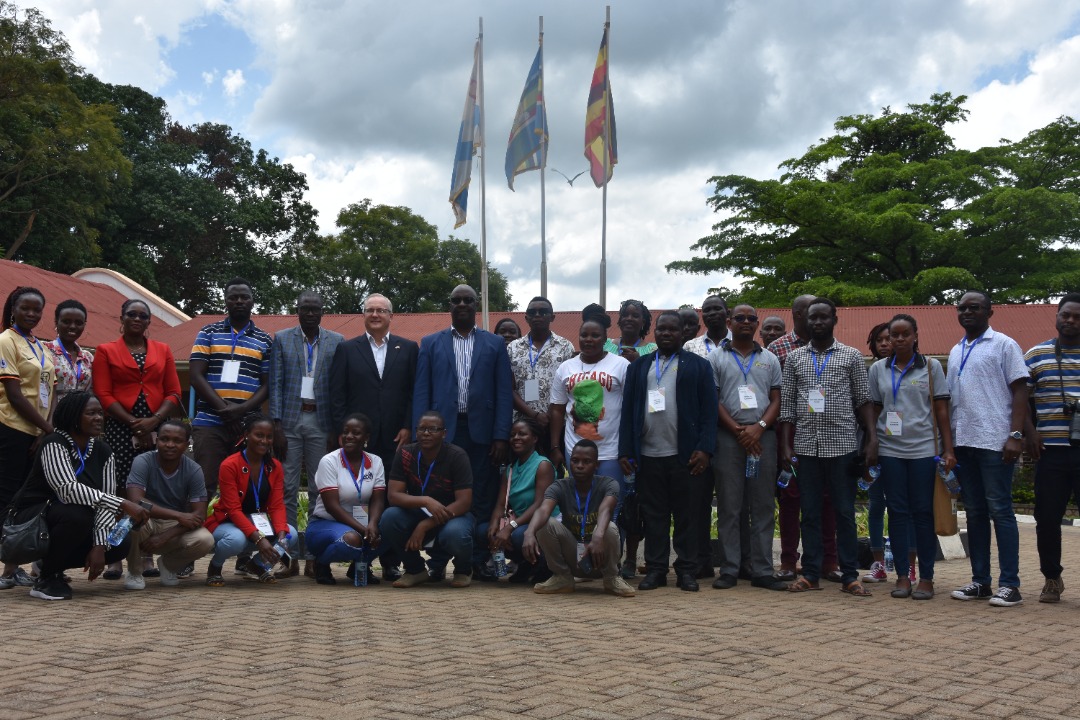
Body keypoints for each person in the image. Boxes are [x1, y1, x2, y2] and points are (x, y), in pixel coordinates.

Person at [6, 392, 149, 600]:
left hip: (69, 519)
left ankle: (50, 561)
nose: (99, 418)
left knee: (120, 544)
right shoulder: (54, 443)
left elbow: (105, 502)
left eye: (100, 413)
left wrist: (99, 547)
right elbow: (67, 489)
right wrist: (124, 502)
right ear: (73, 416)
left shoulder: (103, 451)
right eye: (91, 413)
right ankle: (47, 578)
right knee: (78, 513)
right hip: (31, 520)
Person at [779, 297, 877, 597]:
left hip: (843, 446)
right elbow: (787, 408)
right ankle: (810, 573)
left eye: (823, 317)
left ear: (835, 319)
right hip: (806, 447)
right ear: (805, 322)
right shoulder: (795, 359)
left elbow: (863, 400)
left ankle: (849, 576)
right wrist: (785, 445)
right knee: (808, 513)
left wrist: (872, 439)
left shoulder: (851, 356)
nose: (818, 322)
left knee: (844, 512)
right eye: (812, 318)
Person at [412, 284, 512, 580]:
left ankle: (478, 560)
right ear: (450, 306)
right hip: (443, 432)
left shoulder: (494, 344)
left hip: (482, 432)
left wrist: (500, 435)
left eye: (468, 300)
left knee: (481, 494)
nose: (462, 304)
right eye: (456, 301)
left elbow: (503, 392)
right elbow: (422, 389)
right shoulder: (430, 343)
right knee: (440, 494)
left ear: (477, 304)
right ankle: (439, 560)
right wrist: (422, 434)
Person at [619, 311, 717, 592]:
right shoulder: (638, 368)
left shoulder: (698, 366)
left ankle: (686, 570)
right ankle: (656, 569)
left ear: (681, 334)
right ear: (655, 332)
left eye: (672, 330)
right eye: (661, 329)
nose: (666, 334)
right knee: (654, 516)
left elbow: (710, 412)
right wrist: (626, 451)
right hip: (648, 455)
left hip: (686, 455)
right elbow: (628, 413)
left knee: (686, 516)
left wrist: (705, 449)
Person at [327, 292, 418, 581]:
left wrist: (408, 426)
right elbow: (337, 394)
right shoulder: (347, 349)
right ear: (363, 315)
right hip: (359, 439)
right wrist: (344, 432)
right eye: (370, 310)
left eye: (381, 310)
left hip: (396, 437)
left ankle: (390, 561)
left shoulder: (409, 348)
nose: (375, 314)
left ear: (391, 316)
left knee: (391, 500)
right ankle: (359, 558)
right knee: (360, 497)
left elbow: (413, 392)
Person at [947, 291, 1028, 607]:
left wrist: (1016, 435)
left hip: (995, 442)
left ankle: (1011, 584)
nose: (967, 312)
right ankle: (980, 581)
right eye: (962, 308)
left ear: (989, 312)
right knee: (976, 513)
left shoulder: (1004, 345)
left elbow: (1020, 389)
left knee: (1001, 512)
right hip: (964, 442)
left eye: (975, 308)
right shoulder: (955, 350)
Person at [92, 298, 183, 579]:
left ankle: (145, 556)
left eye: (143, 316)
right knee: (119, 490)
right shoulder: (106, 351)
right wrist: (134, 424)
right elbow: (104, 395)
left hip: (159, 427)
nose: (137, 319)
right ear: (122, 317)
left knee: (150, 490)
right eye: (132, 314)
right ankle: (116, 556)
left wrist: (153, 422)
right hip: (120, 428)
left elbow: (174, 392)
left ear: (148, 321)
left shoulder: (163, 350)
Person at [868, 314, 954, 600]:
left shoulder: (931, 368)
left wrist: (948, 449)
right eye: (895, 335)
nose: (900, 339)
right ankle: (902, 576)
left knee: (922, 512)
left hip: (923, 451)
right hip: (891, 451)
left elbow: (942, 410)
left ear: (916, 335)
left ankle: (926, 577)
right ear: (889, 339)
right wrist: (871, 443)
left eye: (906, 334)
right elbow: (874, 410)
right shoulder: (879, 369)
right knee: (897, 512)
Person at [709, 305, 788, 591]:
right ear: (729, 322)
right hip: (729, 437)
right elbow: (713, 400)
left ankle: (763, 570)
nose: (745, 322)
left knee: (763, 505)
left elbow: (777, 399)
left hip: (762, 438)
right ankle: (730, 569)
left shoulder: (770, 359)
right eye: (739, 318)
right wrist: (738, 430)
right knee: (730, 506)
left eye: (750, 319)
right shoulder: (715, 357)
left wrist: (760, 428)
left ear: (757, 324)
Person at [549, 314, 632, 574]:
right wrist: (554, 447)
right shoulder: (566, 368)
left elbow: (630, 409)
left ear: (605, 339)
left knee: (611, 510)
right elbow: (556, 409)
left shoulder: (620, 365)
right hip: (576, 452)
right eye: (584, 335)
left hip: (610, 451)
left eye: (595, 335)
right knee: (580, 510)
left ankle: (609, 565)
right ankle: (584, 563)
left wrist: (627, 449)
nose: (589, 339)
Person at [268, 290, 343, 577]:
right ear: (296, 310)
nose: (310, 313)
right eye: (305, 309)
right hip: (289, 420)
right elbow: (275, 384)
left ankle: (313, 555)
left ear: (323, 311)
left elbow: (337, 388)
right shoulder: (282, 338)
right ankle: (288, 558)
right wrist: (276, 425)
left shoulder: (336, 341)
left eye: (315, 309)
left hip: (320, 422)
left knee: (318, 490)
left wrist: (334, 428)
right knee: (285, 489)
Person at [768, 294, 840, 582]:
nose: (814, 318)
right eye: (807, 313)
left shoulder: (838, 350)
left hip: (829, 430)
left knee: (827, 498)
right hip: (791, 429)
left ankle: (828, 561)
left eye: (820, 314)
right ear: (797, 314)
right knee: (791, 497)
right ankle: (788, 561)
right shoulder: (778, 348)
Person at [189, 278, 273, 502]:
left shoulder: (264, 340)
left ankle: (241, 536)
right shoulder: (208, 332)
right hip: (210, 423)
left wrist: (242, 409)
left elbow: (267, 384)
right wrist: (225, 411)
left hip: (246, 427)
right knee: (204, 485)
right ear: (225, 301)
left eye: (244, 297)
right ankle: (201, 536)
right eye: (233, 297)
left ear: (252, 301)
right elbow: (196, 376)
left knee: (244, 488)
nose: (239, 301)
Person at [522, 440, 636, 597]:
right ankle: (562, 577)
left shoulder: (609, 484)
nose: (580, 465)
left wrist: (597, 536)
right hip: (573, 558)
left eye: (586, 461)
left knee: (609, 528)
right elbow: (543, 509)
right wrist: (529, 532)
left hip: (599, 558)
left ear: (596, 465)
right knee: (544, 523)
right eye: (575, 460)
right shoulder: (559, 486)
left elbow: (606, 509)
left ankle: (611, 578)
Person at [1024, 294, 1080, 603]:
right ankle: (1052, 578)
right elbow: (1021, 401)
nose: (1071, 321)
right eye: (1066, 315)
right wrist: (1029, 434)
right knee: (1046, 520)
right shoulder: (1036, 355)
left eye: (1077, 316)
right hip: (1051, 452)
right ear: (1056, 317)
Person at [379, 411, 474, 588]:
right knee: (390, 518)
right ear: (416, 432)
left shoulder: (457, 456)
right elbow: (393, 495)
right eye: (422, 429)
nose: (426, 433)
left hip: (454, 514)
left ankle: (463, 569)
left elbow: (464, 502)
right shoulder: (406, 453)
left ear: (444, 433)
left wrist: (425, 525)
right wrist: (425, 501)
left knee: (455, 534)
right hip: (418, 511)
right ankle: (415, 570)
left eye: (433, 429)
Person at [202, 413, 298, 586]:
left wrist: (282, 537)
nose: (264, 441)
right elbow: (233, 510)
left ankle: (257, 565)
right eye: (259, 435)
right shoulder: (230, 465)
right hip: (227, 522)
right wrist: (259, 540)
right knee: (236, 539)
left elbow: (277, 506)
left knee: (291, 533)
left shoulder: (274, 466)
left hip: (257, 522)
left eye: (269, 437)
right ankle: (215, 566)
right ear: (246, 435)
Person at [0, 287, 55, 590]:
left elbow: (53, 390)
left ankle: (13, 567)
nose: (31, 314)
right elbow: (14, 395)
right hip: (11, 428)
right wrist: (47, 431)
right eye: (26, 308)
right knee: (7, 498)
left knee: (27, 500)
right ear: (13, 309)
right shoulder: (6, 341)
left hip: (37, 432)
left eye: (37, 310)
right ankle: (5, 567)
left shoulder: (40, 345)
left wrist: (46, 429)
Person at [122, 420, 216, 589]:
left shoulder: (193, 470)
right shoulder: (142, 461)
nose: (170, 445)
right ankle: (134, 571)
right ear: (156, 440)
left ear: (187, 444)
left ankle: (168, 565)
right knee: (131, 520)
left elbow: (199, 515)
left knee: (205, 540)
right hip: (146, 520)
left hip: (172, 527)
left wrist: (164, 536)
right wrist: (179, 515)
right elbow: (136, 502)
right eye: (164, 439)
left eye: (177, 440)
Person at [681, 294, 731, 579]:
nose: (712, 314)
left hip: (730, 432)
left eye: (717, 309)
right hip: (697, 434)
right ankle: (699, 561)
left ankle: (733, 561)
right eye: (707, 310)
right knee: (697, 502)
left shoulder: (740, 342)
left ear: (727, 313)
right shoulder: (691, 346)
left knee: (731, 502)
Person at [306, 414, 386, 585]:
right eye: (345, 432)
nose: (349, 436)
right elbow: (332, 506)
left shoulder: (376, 462)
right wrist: (364, 530)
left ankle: (360, 565)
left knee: (390, 529)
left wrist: (372, 524)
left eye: (356, 433)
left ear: (366, 438)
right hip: (324, 524)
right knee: (351, 540)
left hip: (362, 522)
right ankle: (322, 563)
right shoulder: (329, 461)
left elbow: (378, 499)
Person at [861, 320, 913, 584]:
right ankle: (879, 563)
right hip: (877, 446)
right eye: (879, 340)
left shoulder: (916, 368)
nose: (884, 344)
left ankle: (910, 566)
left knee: (905, 507)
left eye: (887, 339)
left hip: (908, 447)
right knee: (875, 504)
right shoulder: (873, 371)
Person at [478, 418, 555, 583]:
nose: (516, 438)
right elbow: (500, 504)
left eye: (522, 434)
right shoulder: (511, 468)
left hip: (543, 522)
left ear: (534, 438)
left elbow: (539, 504)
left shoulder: (543, 465)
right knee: (483, 531)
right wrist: (494, 525)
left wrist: (509, 528)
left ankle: (544, 565)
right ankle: (526, 564)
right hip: (521, 521)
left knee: (518, 535)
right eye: (512, 435)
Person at [506, 296, 575, 449]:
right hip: (521, 426)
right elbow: (508, 389)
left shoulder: (565, 347)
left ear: (552, 317)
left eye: (543, 312)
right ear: (526, 318)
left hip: (556, 425)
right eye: (532, 312)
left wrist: (548, 416)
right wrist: (535, 415)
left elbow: (568, 388)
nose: (537, 315)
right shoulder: (512, 348)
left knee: (554, 469)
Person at [43, 299, 93, 403]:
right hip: (50, 413)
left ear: (84, 325)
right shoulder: (43, 350)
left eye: (78, 323)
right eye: (66, 321)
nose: (72, 326)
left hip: (78, 415)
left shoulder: (88, 358)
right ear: (56, 322)